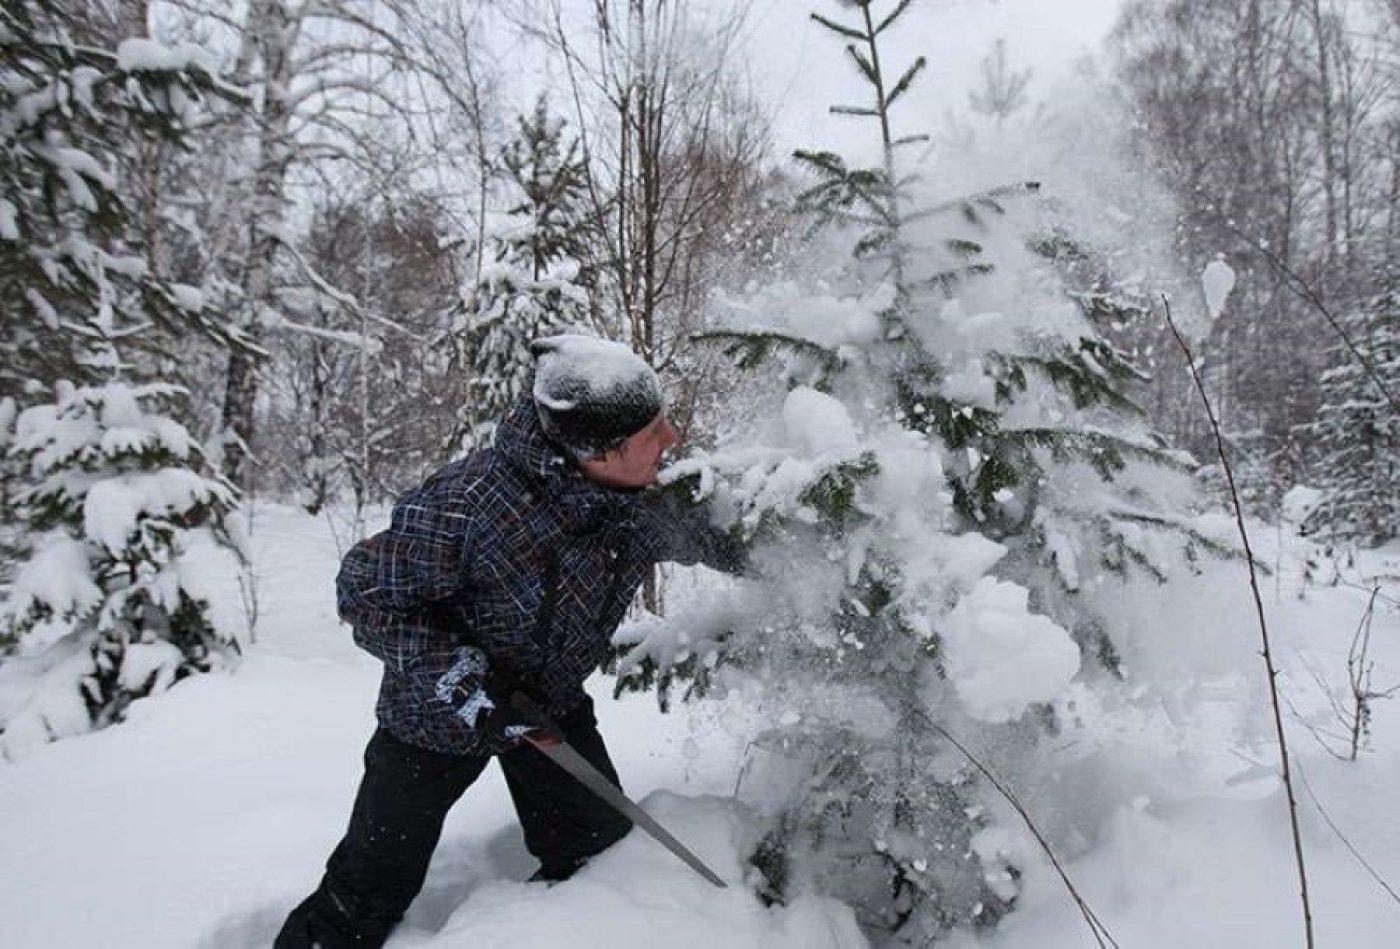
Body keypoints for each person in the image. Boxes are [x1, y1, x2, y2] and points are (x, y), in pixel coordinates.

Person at [275, 334, 745, 949]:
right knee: (369, 886)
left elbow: (727, 541)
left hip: (546, 710)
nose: (672, 439)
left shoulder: (636, 500)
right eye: (654, 430)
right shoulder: (467, 507)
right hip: (434, 720)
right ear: (600, 450)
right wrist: (464, 683)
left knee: (598, 855)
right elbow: (366, 594)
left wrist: (820, 553)